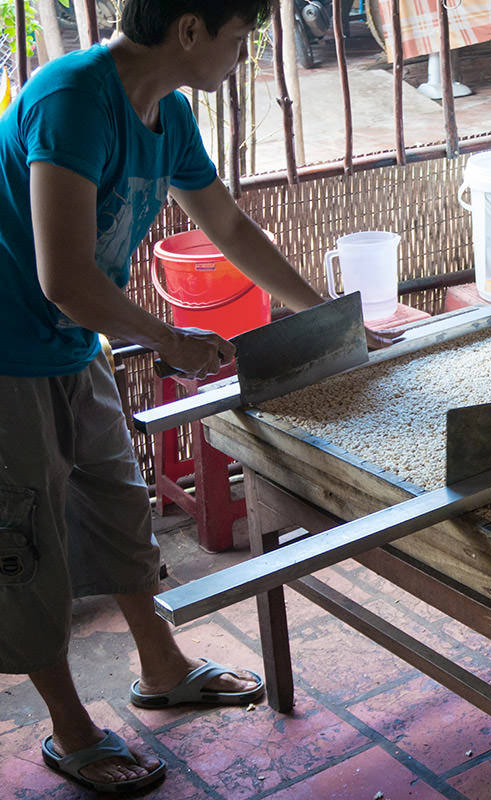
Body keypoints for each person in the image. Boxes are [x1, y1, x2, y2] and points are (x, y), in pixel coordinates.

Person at [0, 0, 389, 793]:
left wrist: (324, 320)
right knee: (25, 539)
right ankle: (71, 729)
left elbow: (232, 230)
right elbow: (64, 277)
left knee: (115, 499)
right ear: (187, 31)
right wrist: (172, 340)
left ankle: (163, 666)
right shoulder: (72, 100)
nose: (244, 54)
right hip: (7, 352)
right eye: (241, 35)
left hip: (73, 341)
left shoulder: (167, 112)